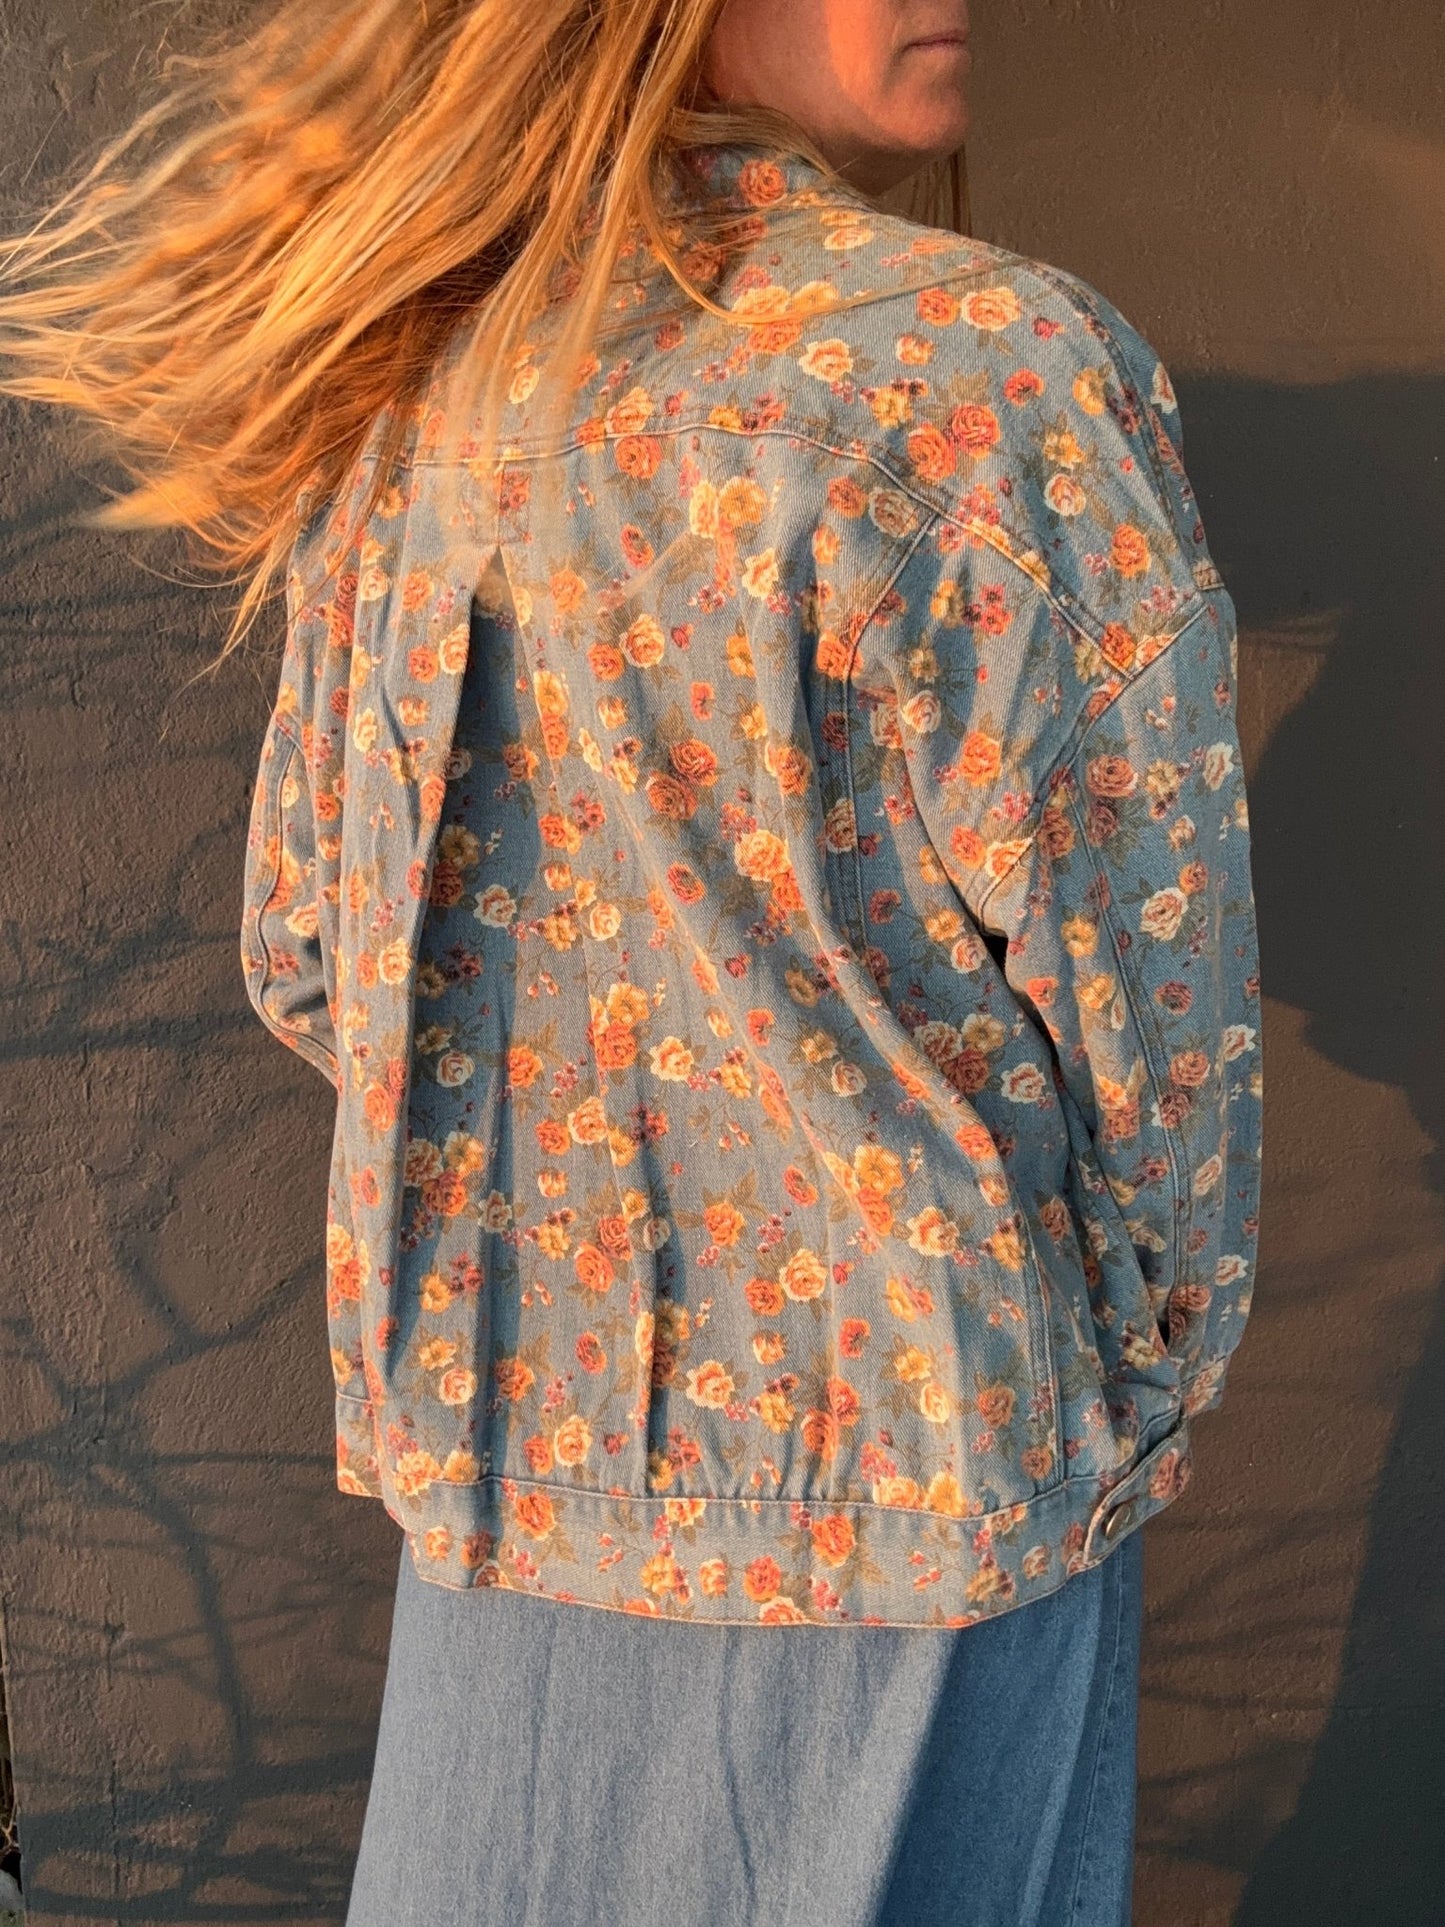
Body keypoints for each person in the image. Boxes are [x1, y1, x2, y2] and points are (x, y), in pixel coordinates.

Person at [0, 0, 1263, 1919]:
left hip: (512, 1472)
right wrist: (1123, 1379)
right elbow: (1157, 1033)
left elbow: (310, 948)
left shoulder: (426, 391)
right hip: (921, 1490)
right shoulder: (984, 368)